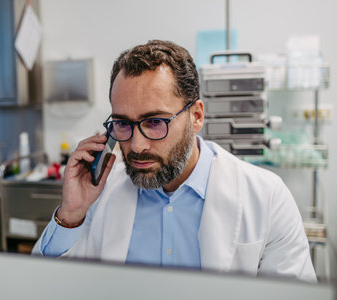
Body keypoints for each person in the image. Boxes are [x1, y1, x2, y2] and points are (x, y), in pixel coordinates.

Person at [32, 40, 316, 282]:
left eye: (155, 122)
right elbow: (51, 286)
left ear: (196, 116)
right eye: (123, 124)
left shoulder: (267, 197)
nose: (136, 145)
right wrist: (71, 216)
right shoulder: (100, 195)